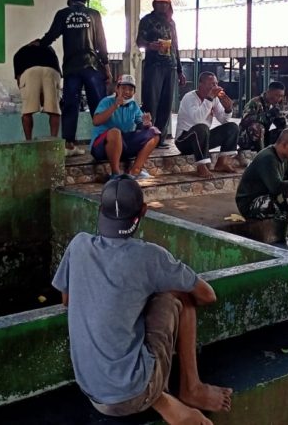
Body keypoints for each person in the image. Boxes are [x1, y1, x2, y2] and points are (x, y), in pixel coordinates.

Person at [52, 176, 233, 424]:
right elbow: (207, 295)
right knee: (181, 296)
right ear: (144, 211)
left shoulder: (78, 245)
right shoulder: (150, 256)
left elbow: (67, 299)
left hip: (92, 391)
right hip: (135, 393)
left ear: (99, 210)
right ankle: (191, 387)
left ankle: (166, 403)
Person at [37, 0, 112, 156]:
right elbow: (101, 42)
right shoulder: (94, 14)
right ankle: (103, 141)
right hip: (92, 66)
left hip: (72, 67)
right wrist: (106, 67)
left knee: (71, 105)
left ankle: (69, 144)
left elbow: (51, 35)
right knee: (99, 105)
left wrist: (39, 44)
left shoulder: (63, 14)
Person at [235, 127, 288, 248]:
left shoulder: (284, 158)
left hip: (268, 195)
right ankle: (281, 242)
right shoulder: (268, 158)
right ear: (284, 145)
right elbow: (276, 188)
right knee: (287, 199)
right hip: (250, 202)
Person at [137, 0, 187, 148]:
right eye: (160, 3)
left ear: (169, 4)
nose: (163, 6)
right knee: (151, 102)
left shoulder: (172, 22)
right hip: (154, 66)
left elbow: (176, 47)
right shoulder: (147, 20)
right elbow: (139, 41)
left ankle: (160, 138)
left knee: (166, 103)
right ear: (154, 4)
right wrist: (149, 45)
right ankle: (146, 136)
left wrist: (180, 70)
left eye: (166, 3)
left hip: (170, 67)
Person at [90, 74, 160, 180]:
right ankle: (115, 173)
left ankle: (135, 171)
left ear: (134, 92)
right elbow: (96, 121)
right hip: (101, 148)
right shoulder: (107, 101)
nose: (127, 92)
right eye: (123, 88)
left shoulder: (133, 105)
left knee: (154, 132)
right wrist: (115, 106)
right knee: (115, 132)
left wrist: (147, 123)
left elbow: (141, 123)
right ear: (117, 89)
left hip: (123, 146)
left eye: (130, 89)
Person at [175, 71, 240, 178]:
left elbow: (224, 120)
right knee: (201, 127)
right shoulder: (189, 97)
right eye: (212, 84)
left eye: (216, 83)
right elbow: (197, 119)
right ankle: (201, 166)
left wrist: (228, 109)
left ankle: (222, 162)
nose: (216, 87)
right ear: (201, 84)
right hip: (184, 141)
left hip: (202, 139)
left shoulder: (214, 99)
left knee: (232, 127)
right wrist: (209, 98)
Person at [13, 41, 62, 140]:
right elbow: (58, 77)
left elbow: (19, 81)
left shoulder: (19, 53)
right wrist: (49, 101)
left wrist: (28, 99)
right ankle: (53, 141)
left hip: (29, 72)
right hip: (51, 71)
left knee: (27, 112)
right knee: (54, 111)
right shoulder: (50, 49)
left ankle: (28, 142)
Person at [237, 81, 288, 153]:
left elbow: (278, 123)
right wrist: (268, 114)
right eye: (276, 95)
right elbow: (246, 120)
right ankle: (260, 155)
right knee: (257, 127)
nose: (278, 98)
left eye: (281, 96)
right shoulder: (255, 102)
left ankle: (278, 154)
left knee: (285, 130)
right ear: (268, 92)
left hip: (264, 136)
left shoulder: (276, 105)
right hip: (247, 138)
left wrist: (281, 122)